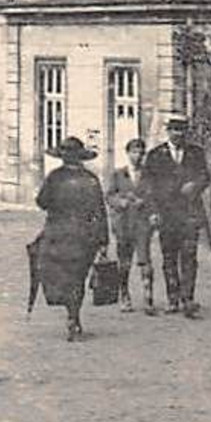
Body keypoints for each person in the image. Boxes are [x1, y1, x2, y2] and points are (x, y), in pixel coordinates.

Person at [33, 136, 109, 341]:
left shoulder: (55, 178)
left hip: (58, 234)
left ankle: (70, 313)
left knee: (62, 275)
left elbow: (41, 202)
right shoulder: (91, 179)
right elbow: (100, 211)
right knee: (79, 277)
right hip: (84, 236)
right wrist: (103, 240)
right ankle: (74, 317)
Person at [143, 116, 211, 318]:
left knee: (190, 256)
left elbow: (206, 176)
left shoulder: (196, 153)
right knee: (169, 257)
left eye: (182, 130)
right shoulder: (155, 155)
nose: (178, 134)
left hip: (190, 213)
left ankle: (188, 298)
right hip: (166, 214)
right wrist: (153, 212)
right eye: (174, 130)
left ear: (186, 133)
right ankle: (173, 299)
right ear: (168, 132)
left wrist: (196, 185)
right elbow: (148, 186)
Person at [105, 137, 158, 315]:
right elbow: (110, 196)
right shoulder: (118, 174)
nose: (138, 156)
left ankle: (148, 297)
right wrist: (121, 202)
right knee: (124, 262)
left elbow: (155, 199)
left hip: (142, 223)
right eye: (134, 152)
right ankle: (124, 295)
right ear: (128, 153)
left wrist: (151, 211)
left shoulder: (150, 175)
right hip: (124, 223)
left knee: (145, 261)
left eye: (141, 153)